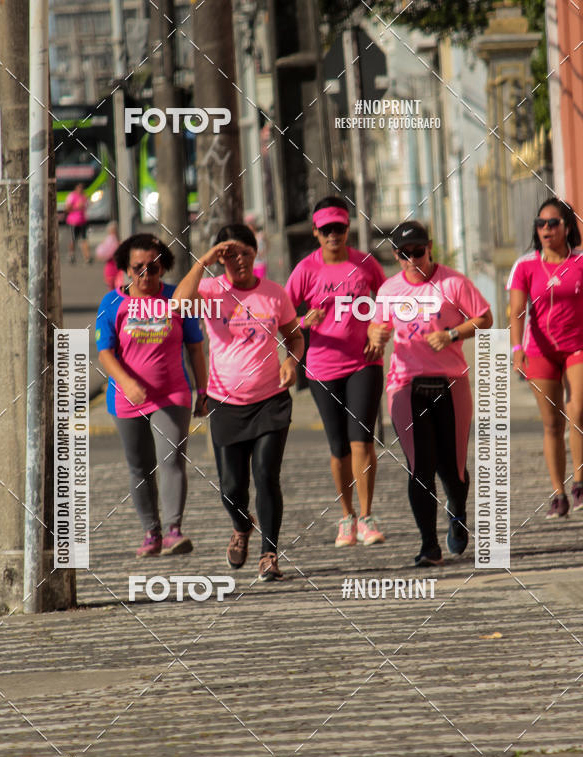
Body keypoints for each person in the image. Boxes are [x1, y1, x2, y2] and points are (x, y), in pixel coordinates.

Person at [173, 224, 304, 581]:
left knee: (266, 475)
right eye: (231, 255)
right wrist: (203, 260)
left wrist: (291, 361)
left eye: (246, 252)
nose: (240, 261)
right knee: (231, 488)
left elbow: (294, 337)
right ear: (221, 259)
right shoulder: (211, 290)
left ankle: (269, 554)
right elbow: (179, 303)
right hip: (225, 402)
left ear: (255, 253)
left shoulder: (274, 294)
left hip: (270, 401)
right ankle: (241, 524)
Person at [368, 221, 493, 567]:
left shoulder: (453, 282)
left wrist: (453, 334)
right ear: (395, 255)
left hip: (451, 384)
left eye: (418, 252)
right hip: (406, 384)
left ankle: (457, 511)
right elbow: (377, 326)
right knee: (419, 465)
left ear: (430, 248)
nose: (412, 260)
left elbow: (485, 318)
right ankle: (429, 546)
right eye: (404, 255)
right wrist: (377, 337)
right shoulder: (389, 290)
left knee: (452, 467)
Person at [95, 233, 206, 557]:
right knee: (140, 467)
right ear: (126, 270)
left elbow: (196, 349)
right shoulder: (112, 303)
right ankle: (151, 532)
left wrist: (204, 390)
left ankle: (173, 530)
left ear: (164, 267)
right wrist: (126, 383)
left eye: (153, 267)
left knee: (171, 460)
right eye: (138, 268)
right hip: (126, 397)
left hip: (172, 394)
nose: (146, 274)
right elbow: (105, 353)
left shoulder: (176, 299)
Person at [285, 196, 386, 548]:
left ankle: (367, 516)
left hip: (364, 362)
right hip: (322, 368)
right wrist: (302, 321)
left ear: (348, 229)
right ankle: (347, 518)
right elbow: (280, 317)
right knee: (339, 447)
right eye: (326, 229)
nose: (333, 235)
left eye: (339, 228)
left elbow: (387, 299)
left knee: (362, 440)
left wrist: (378, 328)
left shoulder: (365, 264)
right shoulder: (305, 270)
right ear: (316, 232)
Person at [508, 198, 583, 518]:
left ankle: (580, 483)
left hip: (577, 347)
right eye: (541, 224)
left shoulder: (580, 262)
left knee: (578, 411)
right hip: (540, 351)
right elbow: (516, 311)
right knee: (552, 423)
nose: (546, 229)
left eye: (553, 223)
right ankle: (559, 493)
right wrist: (516, 349)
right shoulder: (525, 265)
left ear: (567, 227)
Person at [65, 182, 91, 264]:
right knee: (73, 239)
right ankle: (71, 254)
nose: (80, 189)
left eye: (82, 188)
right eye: (79, 188)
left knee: (84, 239)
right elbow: (67, 209)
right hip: (73, 221)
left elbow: (87, 206)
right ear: (76, 188)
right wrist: (76, 207)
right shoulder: (72, 196)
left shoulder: (84, 196)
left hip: (83, 221)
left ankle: (87, 257)